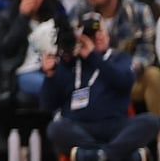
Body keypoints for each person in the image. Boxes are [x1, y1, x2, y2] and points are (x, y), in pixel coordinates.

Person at [42, 13, 160, 161]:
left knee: (151, 121)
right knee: (55, 128)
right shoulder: (70, 64)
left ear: (108, 34)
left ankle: (97, 156)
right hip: (81, 128)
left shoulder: (120, 58)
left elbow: (124, 81)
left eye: (100, 31)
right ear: (80, 38)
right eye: (91, 34)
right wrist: (50, 75)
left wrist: (93, 56)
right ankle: (110, 155)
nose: (97, 36)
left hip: (116, 126)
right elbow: (48, 104)